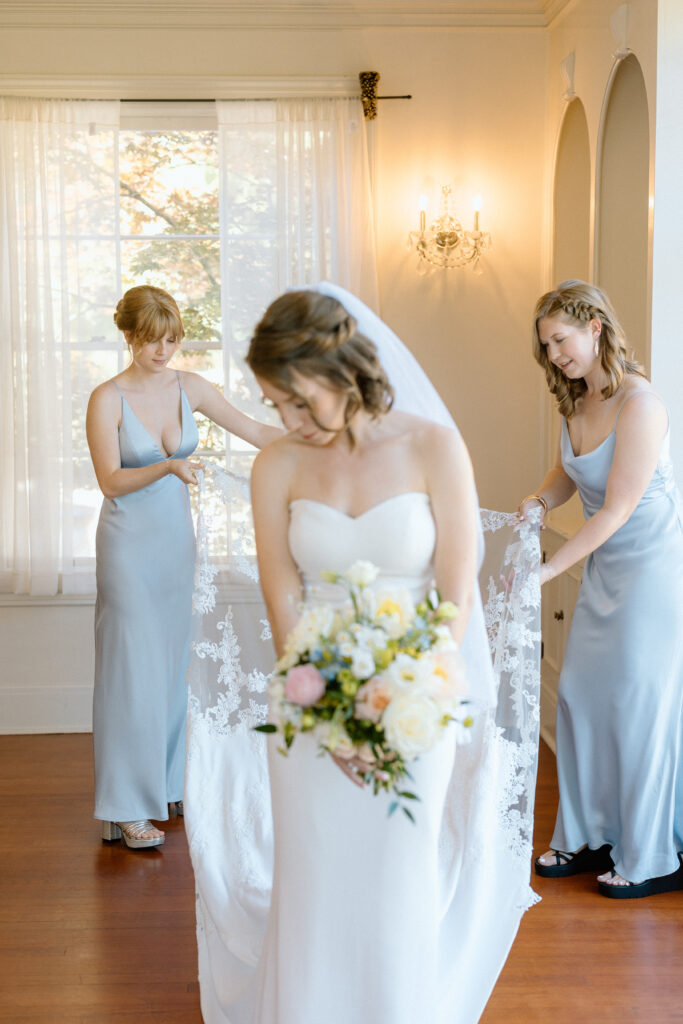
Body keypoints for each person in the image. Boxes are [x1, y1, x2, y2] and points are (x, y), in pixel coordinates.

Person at [183, 284, 541, 1024]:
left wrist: (405, 696)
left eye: (295, 401)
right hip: (309, 705)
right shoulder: (276, 465)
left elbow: (455, 594)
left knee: (393, 880)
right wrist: (329, 709)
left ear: (340, 371)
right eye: (271, 404)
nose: (283, 420)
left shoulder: (431, 446)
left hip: (416, 697)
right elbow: (284, 601)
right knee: (316, 881)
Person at [86, 284, 279, 850]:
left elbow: (256, 431)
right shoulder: (106, 398)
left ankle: (167, 785)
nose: (164, 352)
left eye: (172, 340)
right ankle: (124, 806)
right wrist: (170, 466)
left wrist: (315, 442)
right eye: (152, 342)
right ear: (129, 337)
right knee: (131, 671)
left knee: (173, 668)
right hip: (127, 546)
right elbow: (111, 481)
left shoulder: (188, 386)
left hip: (176, 546)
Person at [519, 279, 683, 898]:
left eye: (561, 340)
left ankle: (650, 855)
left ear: (594, 326)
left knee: (639, 708)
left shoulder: (642, 405)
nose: (556, 355)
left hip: (651, 572)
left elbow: (613, 511)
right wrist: (538, 501)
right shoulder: (578, 403)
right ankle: (587, 834)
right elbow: (568, 472)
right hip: (606, 567)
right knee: (581, 697)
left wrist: (545, 571)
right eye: (547, 346)